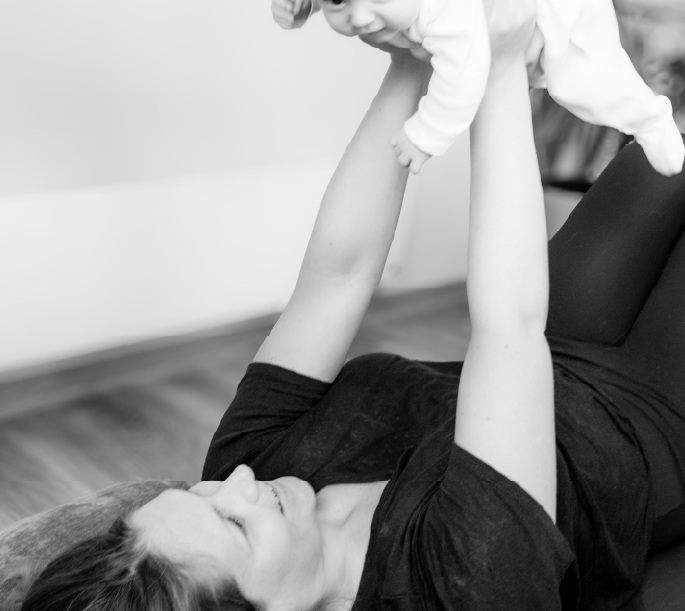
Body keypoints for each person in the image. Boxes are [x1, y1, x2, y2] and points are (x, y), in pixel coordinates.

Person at [13, 1, 685, 609]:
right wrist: (499, 71)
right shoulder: (458, 587)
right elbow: (507, 329)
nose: (236, 480)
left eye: (196, 495)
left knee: (669, 137)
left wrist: (412, 63)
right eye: (235, 522)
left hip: (561, 344)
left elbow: (337, 276)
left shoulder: (254, 467)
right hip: (650, 424)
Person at [271, 0, 684, 177]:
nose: (360, 18)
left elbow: (463, 76)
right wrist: (301, 6)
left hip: (563, 13)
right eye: (339, 2)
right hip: (511, 32)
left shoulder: (445, 12)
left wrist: (427, 132)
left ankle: (649, 118)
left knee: (585, 81)